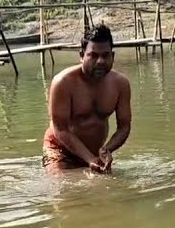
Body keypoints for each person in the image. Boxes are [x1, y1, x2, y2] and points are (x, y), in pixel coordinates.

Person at [42, 24, 131, 173]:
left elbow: (124, 127)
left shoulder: (120, 84)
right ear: (82, 56)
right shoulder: (63, 83)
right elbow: (60, 129)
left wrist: (107, 149)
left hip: (95, 152)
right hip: (59, 150)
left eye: (105, 55)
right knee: (63, 188)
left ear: (113, 56)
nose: (100, 61)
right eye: (93, 55)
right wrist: (88, 158)